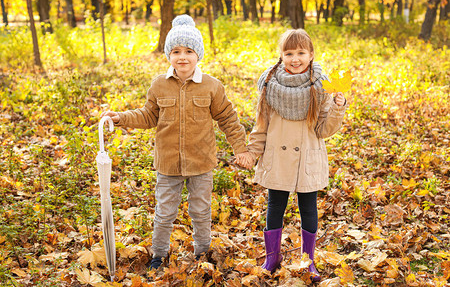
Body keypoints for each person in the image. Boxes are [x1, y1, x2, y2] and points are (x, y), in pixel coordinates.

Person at [101, 15, 250, 270]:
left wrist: (241, 149)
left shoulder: (212, 87)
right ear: (169, 54)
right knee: (164, 212)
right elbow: (148, 115)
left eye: (189, 51)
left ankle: (202, 253)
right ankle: (158, 255)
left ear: (198, 55)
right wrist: (121, 117)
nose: (183, 57)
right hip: (168, 163)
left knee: (201, 212)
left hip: (201, 163)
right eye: (176, 51)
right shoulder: (160, 85)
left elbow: (228, 118)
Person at [236, 28, 348, 282]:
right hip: (278, 158)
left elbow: (324, 130)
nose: (295, 59)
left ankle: (308, 260)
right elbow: (260, 125)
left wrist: (338, 108)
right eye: (289, 53)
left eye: (300, 53)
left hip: (308, 158)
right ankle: (272, 256)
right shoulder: (269, 85)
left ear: (311, 55)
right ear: (281, 55)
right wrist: (253, 152)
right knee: (275, 206)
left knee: (308, 209)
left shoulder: (321, 87)